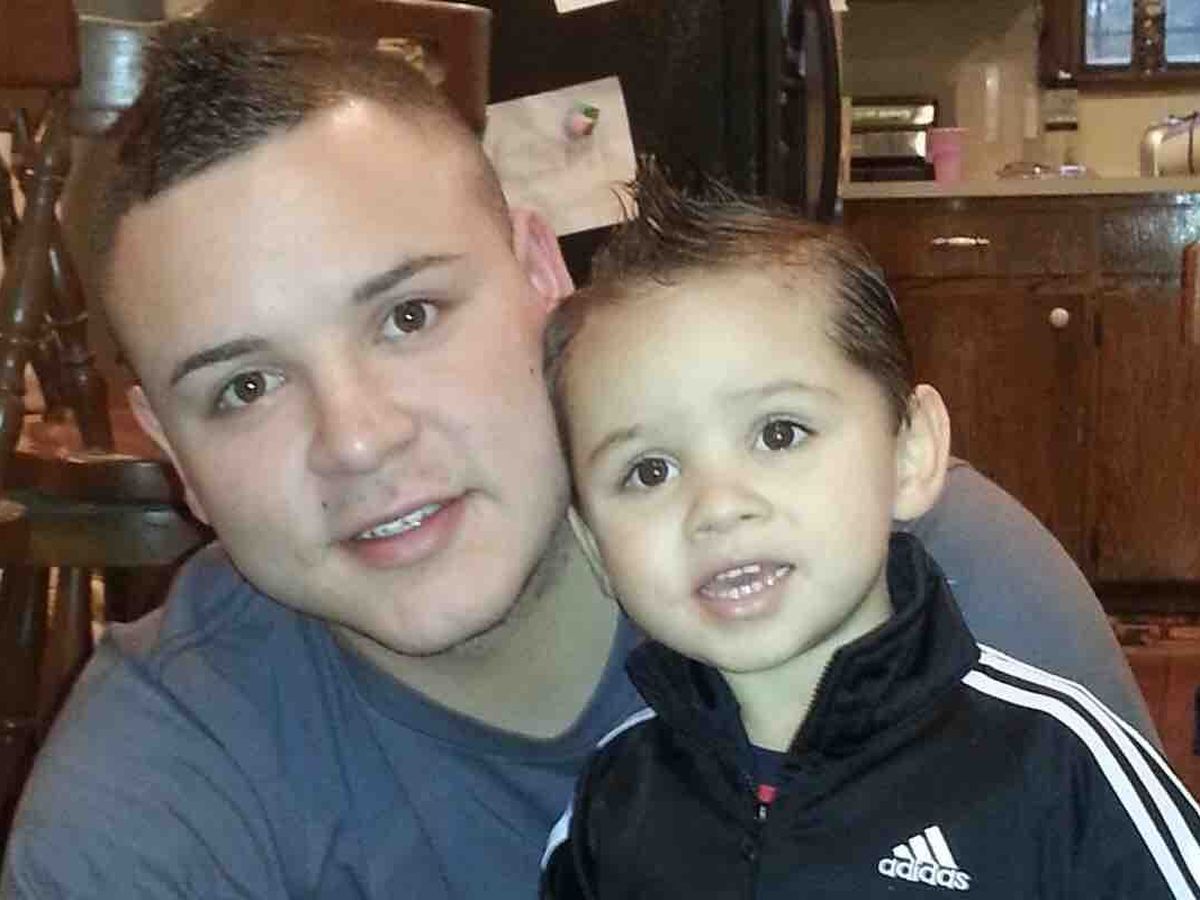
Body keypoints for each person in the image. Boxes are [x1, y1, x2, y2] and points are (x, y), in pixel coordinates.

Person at [0, 21, 1157, 899]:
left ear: (543, 277)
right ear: (177, 457)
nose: (356, 438)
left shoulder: (930, 580)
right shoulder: (153, 808)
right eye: (245, 388)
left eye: (409, 315)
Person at [537, 169, 1200, 898]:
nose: (717, 506)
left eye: (779, 432)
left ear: (910, 453)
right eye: (649, 471)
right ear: (595, 547)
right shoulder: (611, 803)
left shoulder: (1060, 770)